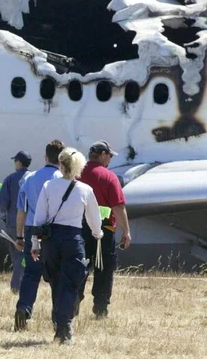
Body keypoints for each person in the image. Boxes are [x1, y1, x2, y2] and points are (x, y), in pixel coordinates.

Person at [31, 147, 103, 344]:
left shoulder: (48, 186)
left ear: (61, 166)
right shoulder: (85, 190)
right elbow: (94, 220)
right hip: (73, 239)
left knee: (55, 282)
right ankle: (65, 326)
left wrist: (35, 243)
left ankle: (59, 325)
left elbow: (39, 218)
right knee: (70, 283)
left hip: (51, 240)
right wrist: (98, 234)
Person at [13, 140, 65, 331]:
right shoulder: (64, 179)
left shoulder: (29, 178)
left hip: (32, 229)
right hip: (57, 232)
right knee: (57, 275)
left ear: (45, 157)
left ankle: (24, 308)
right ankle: (58, 317)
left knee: (31, 274)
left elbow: (21, 211)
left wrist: (19, 236)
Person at [78, 140, 132, 319]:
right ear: (102, 155)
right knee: (103, 269)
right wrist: (126, 231)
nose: (110, 159)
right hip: (103, 231)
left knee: (79, 267)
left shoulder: (76, 174)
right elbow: (118, 206)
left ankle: (72, 303)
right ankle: (100, 308)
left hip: (78, 230)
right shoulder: (109, 177)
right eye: (109, 155)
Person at [0, 151, 32, 293]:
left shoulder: (10, 179)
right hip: (32, 223)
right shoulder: (33, 178)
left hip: (13, 222)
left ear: (18, 162)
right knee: (28, 255)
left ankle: (16, 286)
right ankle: (25, 283)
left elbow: (3, 205)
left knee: (17, 256)